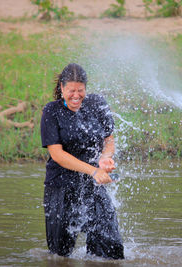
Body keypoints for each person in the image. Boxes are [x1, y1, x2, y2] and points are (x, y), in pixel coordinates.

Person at [40, 63, 124, 259]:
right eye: (71, 91)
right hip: (60, 188)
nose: (76, 96)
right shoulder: (51, 112)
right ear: (62, 88)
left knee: (110, 251)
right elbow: (57, 155)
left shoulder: (97, 104)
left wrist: (104, 160)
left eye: (80, 90)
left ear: (86, 88)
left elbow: (109, 141)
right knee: (59, 255)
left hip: (92, 186)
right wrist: (93, 171)